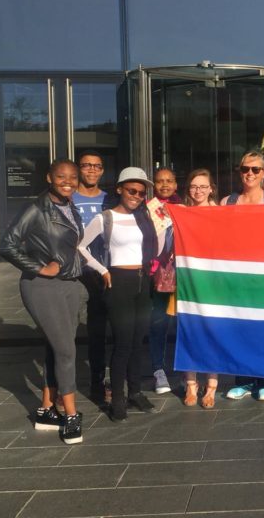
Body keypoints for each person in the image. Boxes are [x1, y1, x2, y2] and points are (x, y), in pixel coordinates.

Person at [0, 159, 86, 445]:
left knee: (54, 346)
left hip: (69, 285)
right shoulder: (36, 208)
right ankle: (70, 415)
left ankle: (46, 410)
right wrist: (38, 268)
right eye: (61, 176)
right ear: (49, 177)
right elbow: (7, 244)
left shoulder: (70, 206)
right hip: (42, 287)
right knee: (66, 351)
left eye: (73, 177)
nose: (68, 182)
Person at [78, 167, 163, 422]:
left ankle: (134, 391)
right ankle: (117, 398)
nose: (136, 195)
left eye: (140, 192)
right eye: (131, 190)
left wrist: (160, 224)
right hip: (118, 282)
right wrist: (102, 269)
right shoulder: (105, 218)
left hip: (142, 280)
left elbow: (155, 249)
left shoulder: (145, 217)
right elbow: (80, 246)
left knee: (138, 342)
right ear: (119, 189)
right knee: (123, 343)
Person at [224, 152, 264, 402]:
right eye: (245, 169)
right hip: (237, 277)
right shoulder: (227, 202)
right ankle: (244, 380)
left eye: (255, 170)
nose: (250, 174)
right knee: (240, 328)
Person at [72, 150, 110, 405]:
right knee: (68, 328)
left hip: (99, 270)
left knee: (98, 329)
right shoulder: (68, 197)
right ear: (79, 169)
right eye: (86, 166)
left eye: (96, 166)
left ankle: (97, 380)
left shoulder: (110, 199)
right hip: (72, 270)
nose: (92, 170)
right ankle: (61, 379)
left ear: (102, 170)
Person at [182, 168, 219, 409]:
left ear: (211, 189)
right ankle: (190, 384)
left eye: (203, 186)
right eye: (194, 186)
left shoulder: (220, 213)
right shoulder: (181, 212)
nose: (198, 191)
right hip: (187, 276)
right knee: (189, 330)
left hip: (213, 278)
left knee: (213, 331)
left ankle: (212, 385)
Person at [147, 168, 182, 397]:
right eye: (160, 181)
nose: (165, 185)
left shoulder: (184, 208)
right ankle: (158, 368)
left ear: (176, 184)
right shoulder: (146, 209)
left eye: (169, 181)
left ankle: (186, 367)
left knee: (185, 322)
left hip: (184, 274)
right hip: (158, 274)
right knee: (159, 322)